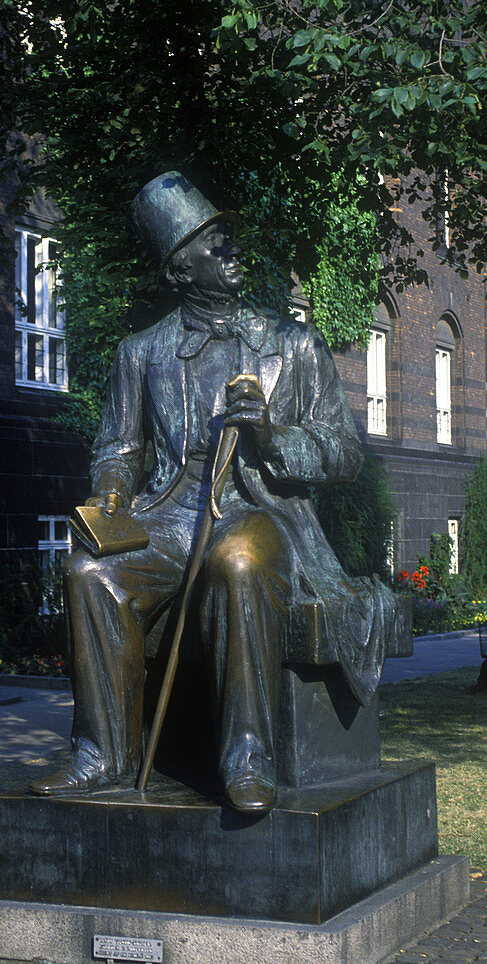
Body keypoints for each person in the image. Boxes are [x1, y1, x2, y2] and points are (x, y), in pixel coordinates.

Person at [30, 170, 392, 813]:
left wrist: (275, 434)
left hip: (261, 510)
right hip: (170, 514)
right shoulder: (140, 352)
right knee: (89, 569)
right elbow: (118, 447)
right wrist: (112, 493)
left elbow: (342, 454)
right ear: (179, 268)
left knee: (240, 560)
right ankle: (104, 755)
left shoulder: (294, 345)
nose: (233, 249)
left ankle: (247, 755)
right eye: (213, 242)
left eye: (229, 236)